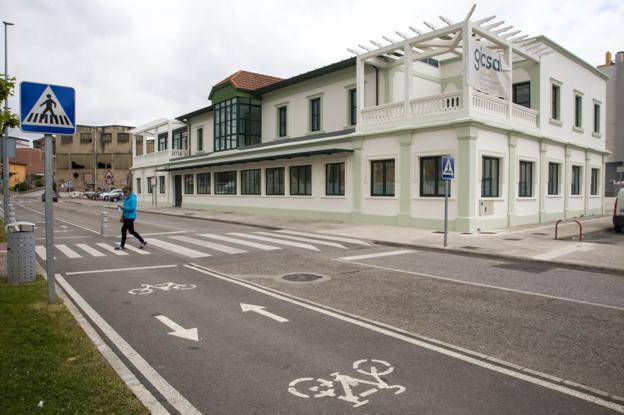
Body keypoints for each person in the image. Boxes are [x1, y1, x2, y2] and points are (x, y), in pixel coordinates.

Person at [115, 186, 146, 250]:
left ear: (128, 191)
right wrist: (121, 207)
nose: (124, 194)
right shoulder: (128, 198)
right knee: (131, 231)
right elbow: (127, 206)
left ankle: (122, 246)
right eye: (123, 193)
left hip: (130, 217)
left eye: (125, 192)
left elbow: (132, 208)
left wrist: (123, 207)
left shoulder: (132, 198)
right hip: (127, 216)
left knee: (123, 230)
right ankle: (142, 241)